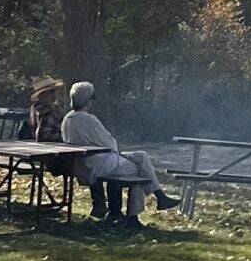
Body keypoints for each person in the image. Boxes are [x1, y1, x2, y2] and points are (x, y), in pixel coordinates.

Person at [60, 81, 181, 227]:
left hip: (83, 164)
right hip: (100, 164)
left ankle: (155, 199)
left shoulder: (67, 119)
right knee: (139, 170)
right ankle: (135, 215)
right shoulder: (88, 119)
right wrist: (118, 152)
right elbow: (109, 143)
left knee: (141, 156)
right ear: (88, 100)